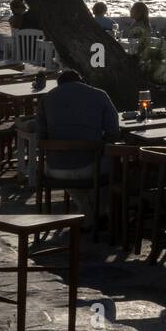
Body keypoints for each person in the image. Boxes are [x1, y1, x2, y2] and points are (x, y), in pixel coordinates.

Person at [35, 68, 120, 227]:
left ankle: (87, 213)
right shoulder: (99, 95)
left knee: (69, 169)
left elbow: (40, 139)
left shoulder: (47, 99)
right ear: (82, 81)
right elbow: (114, 133)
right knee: (117, 162)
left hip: (56, 169)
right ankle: (95, 214)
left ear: (59, 85)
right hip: (89, 166)